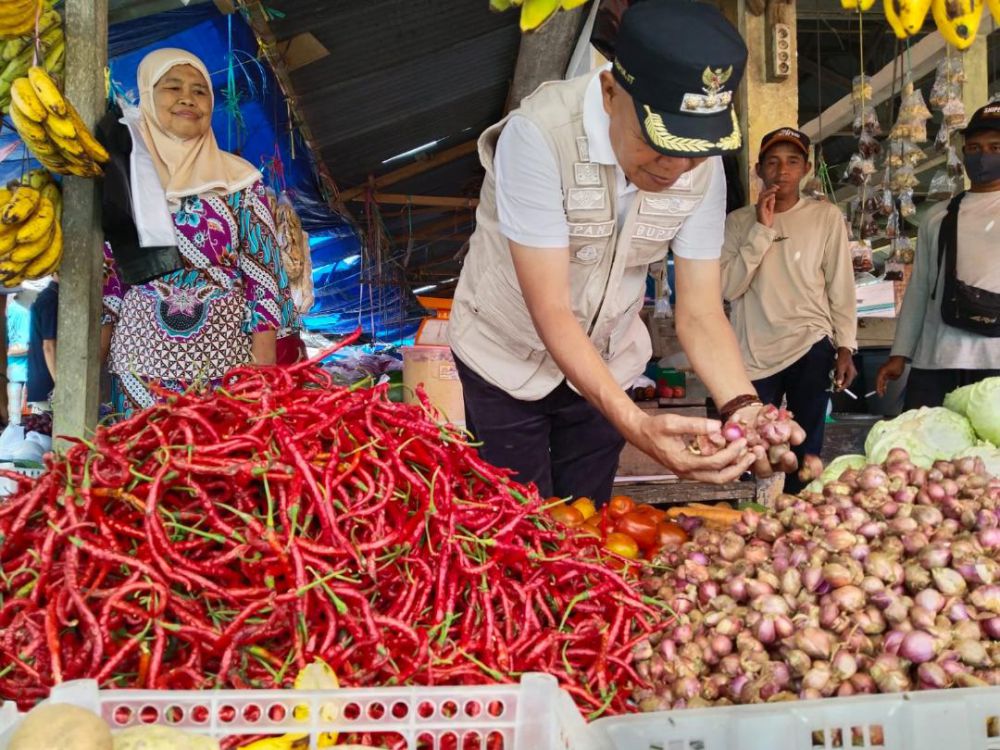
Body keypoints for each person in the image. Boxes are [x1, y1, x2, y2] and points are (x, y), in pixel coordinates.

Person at [448, 0, 802, 505]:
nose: (675, 169)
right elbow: (549, 307)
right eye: (658, 144)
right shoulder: (537, 137)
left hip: (608, 360)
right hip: (505, 360)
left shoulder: (698, 170)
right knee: (517, 526)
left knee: (586, 521)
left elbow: (700, 311)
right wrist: (637, 424)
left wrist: (742, 405)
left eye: (694, 152)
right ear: (612, 92)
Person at [99, 49, 292, 417]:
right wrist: (92, 366)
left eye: (200, 90)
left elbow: (264, 276)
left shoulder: (241, 181)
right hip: (141, 364)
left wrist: (263, 367)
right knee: (143, 466)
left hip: (225, 364)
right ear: (148, 97)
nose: (188, 97)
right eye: (173, 87)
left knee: (219, 466)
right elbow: (110, 280)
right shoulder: (126, 178)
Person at [720, 128, 857, 492]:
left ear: (806, 169)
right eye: (773, 162)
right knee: (752, 446)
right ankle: (752, 519)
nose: (782, 171)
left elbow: (840, 285)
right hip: (753, 350)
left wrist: (845, 346)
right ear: (758, 170)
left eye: (793, 162)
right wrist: (762, 231)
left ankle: (801, 519)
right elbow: (730, 287)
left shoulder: (825, 217)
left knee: (806, 445)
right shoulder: (737, 223)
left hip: (810, 342)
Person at [877, 103, 1000, 407]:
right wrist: (900, 353)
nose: (982, 155)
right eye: (974, 147)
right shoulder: (939, 215)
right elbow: (919, 288)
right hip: (938, 358)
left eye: (995, 147)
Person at [26, 275, 57, 415]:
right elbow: (48, 346)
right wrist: (59, 384)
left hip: (41, 381)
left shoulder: (46, 296)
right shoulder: (51, 299)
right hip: (47, 385)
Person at [6, 291, 31, 425]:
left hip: (12, 368)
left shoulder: (10, 308)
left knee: (14, 418)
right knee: (27, 418)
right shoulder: (27, 310)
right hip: (26, 369)